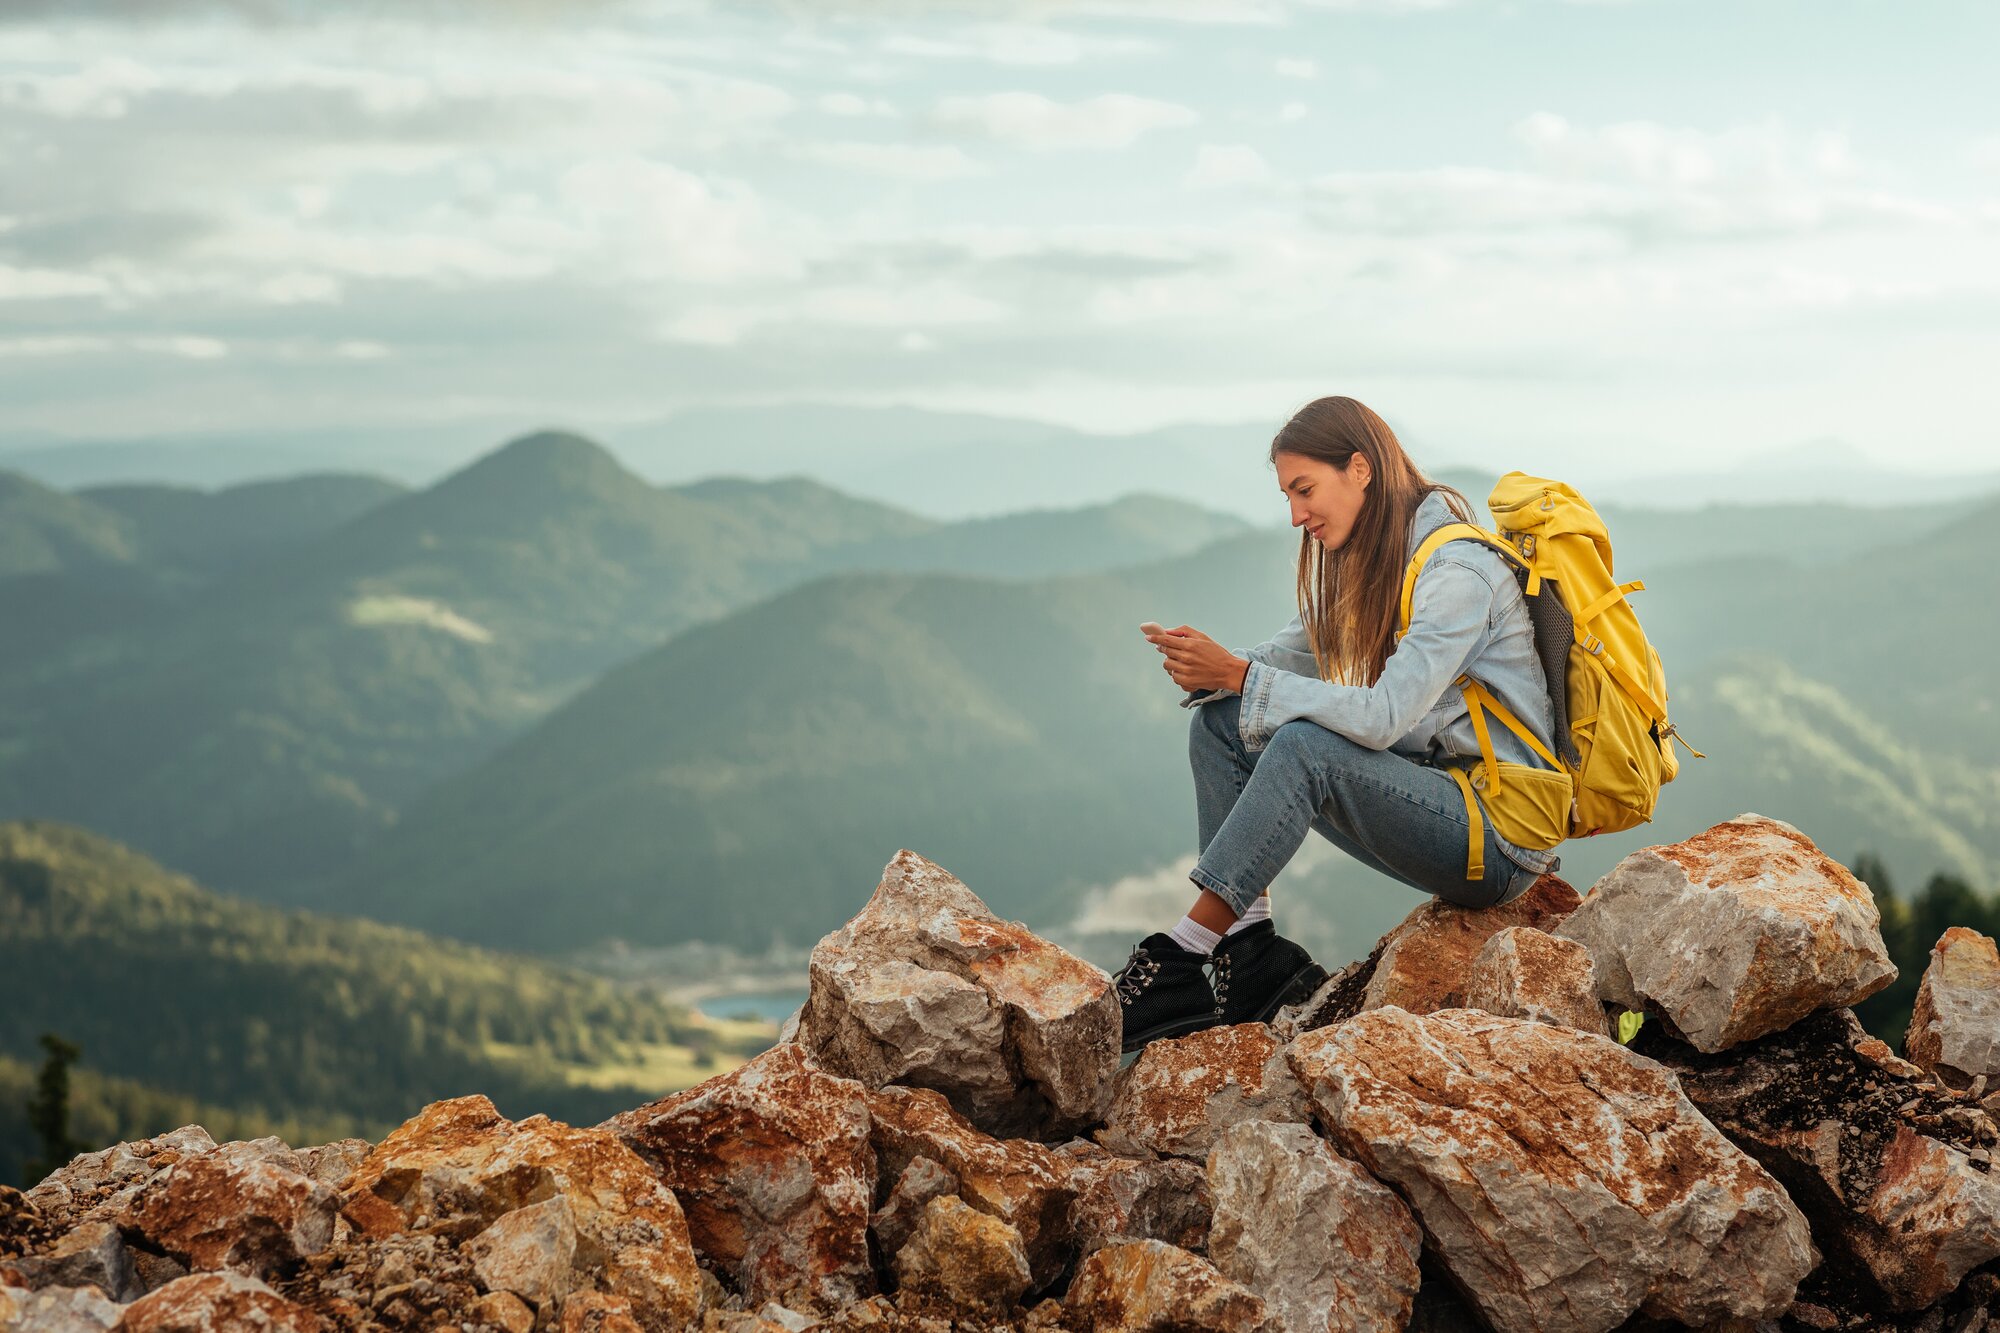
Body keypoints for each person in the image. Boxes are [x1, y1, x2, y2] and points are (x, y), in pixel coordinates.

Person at [1116, 395, 1564, 1051]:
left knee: (1305, 746)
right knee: (1222, 723)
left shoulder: (1456, 573)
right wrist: (1215, 670)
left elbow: (1384, 716)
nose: (1296, 515)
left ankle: (1182, 956)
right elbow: (1287, 657)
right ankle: (1250, 952)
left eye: (1304, 490)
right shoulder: (1382, 557)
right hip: (1438, 796)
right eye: (1288, 496)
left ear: (1360, 468)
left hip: (1497, 838)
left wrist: (1239, 675)